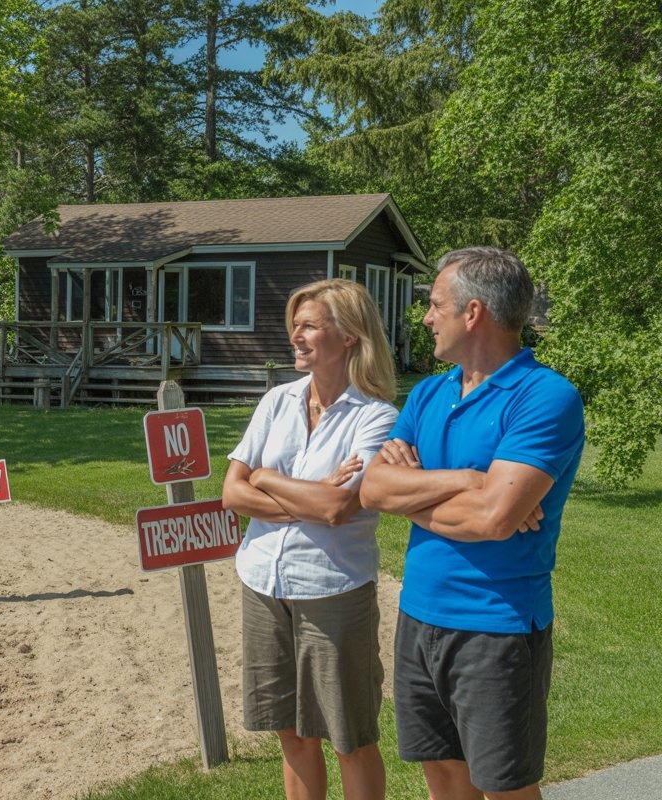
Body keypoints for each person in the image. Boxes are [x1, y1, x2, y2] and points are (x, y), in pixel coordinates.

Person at [360, 247, 585, 800]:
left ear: (473, 312)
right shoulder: (430, 391)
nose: (426, 317)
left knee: (504, 788)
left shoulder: (546, 397)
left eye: (435, 305)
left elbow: (494, 519)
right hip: (418, 616)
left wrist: (416, 492)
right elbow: (371, 488)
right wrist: (466, 479)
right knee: (442, 775)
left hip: (498, 627)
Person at [222, 279, 397, 800]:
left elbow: (338, 507)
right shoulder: (277, 401)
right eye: (293, 326)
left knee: (349, 738)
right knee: (289, 731)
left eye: (308, 326)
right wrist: (308, 495)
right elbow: (231, 493)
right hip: (262, 582)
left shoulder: (377, 416)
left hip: (333, 591)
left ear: (348, 335)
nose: (295, 337)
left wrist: (268, 479)